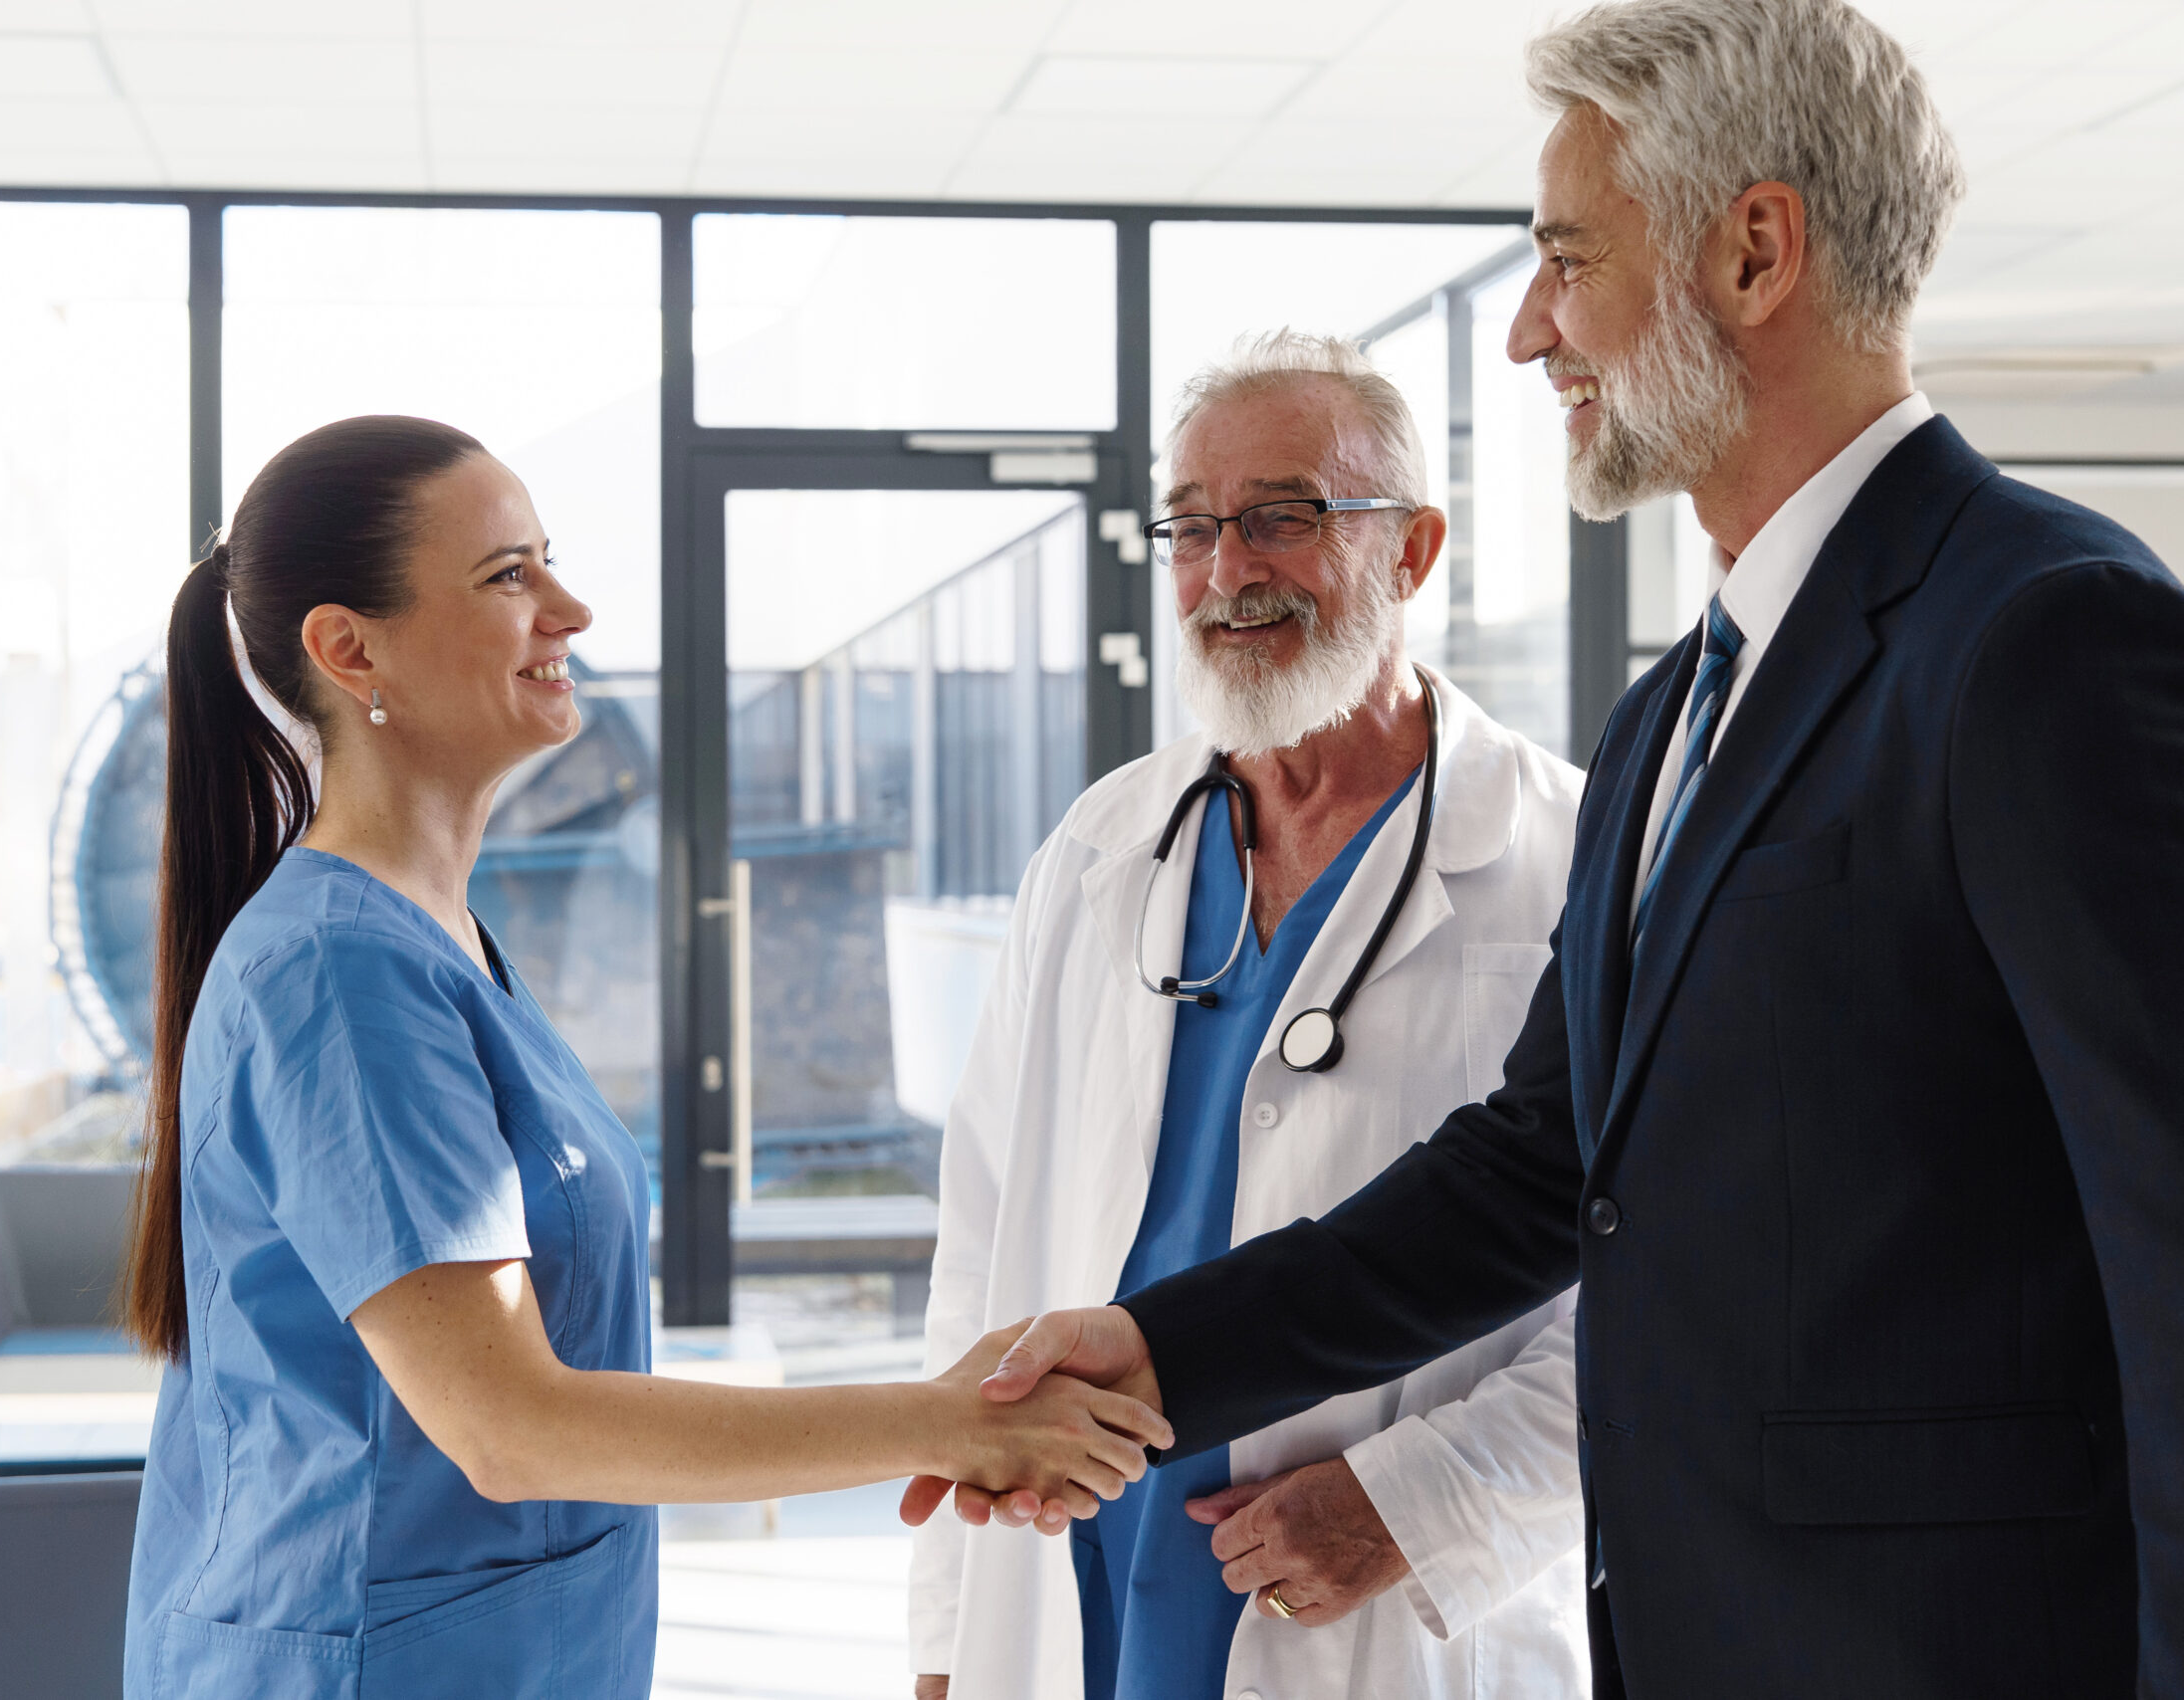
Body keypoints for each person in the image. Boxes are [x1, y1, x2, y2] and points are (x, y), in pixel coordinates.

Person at [959, 2, 2184, 1696]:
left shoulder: (2043, 638)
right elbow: (1536, 1173)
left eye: (1567, 260)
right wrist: (1157, 1350)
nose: (1535, 331)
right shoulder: (1673, 712)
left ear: (1756, 251)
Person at [118, 416, 1170, 1700]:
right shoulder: (338, 973)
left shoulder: (435, 941)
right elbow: (509, 1425)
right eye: (509, 576)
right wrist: (944, 1419)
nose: (569, 607)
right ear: (350, 648)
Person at [902, 333, 1589, 1700]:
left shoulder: (1563, 853)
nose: (1229, 573)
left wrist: (1427, 1501)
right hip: (1084, 1573)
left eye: (1282, 517)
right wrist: (943, 1642)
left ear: (1414, 548)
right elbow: (985, 1231)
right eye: (1195, 527)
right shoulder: (1102, 848)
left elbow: (1667, 1280)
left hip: (1386, 1607)